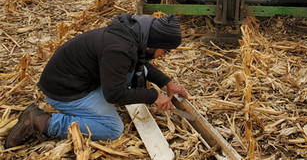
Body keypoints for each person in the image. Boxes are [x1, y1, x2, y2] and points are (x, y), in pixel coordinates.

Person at [4, 13, 188, 148]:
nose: (164, 56)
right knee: (113, 129)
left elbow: (140, 62)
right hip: (66, 91)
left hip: (77, 78)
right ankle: (43, 122)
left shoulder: (132, 36)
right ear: (153, 42)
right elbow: (113, 94)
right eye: (165, 50)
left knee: (131, 72)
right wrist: (153, 96)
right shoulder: (119, 49)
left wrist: (167, 82)